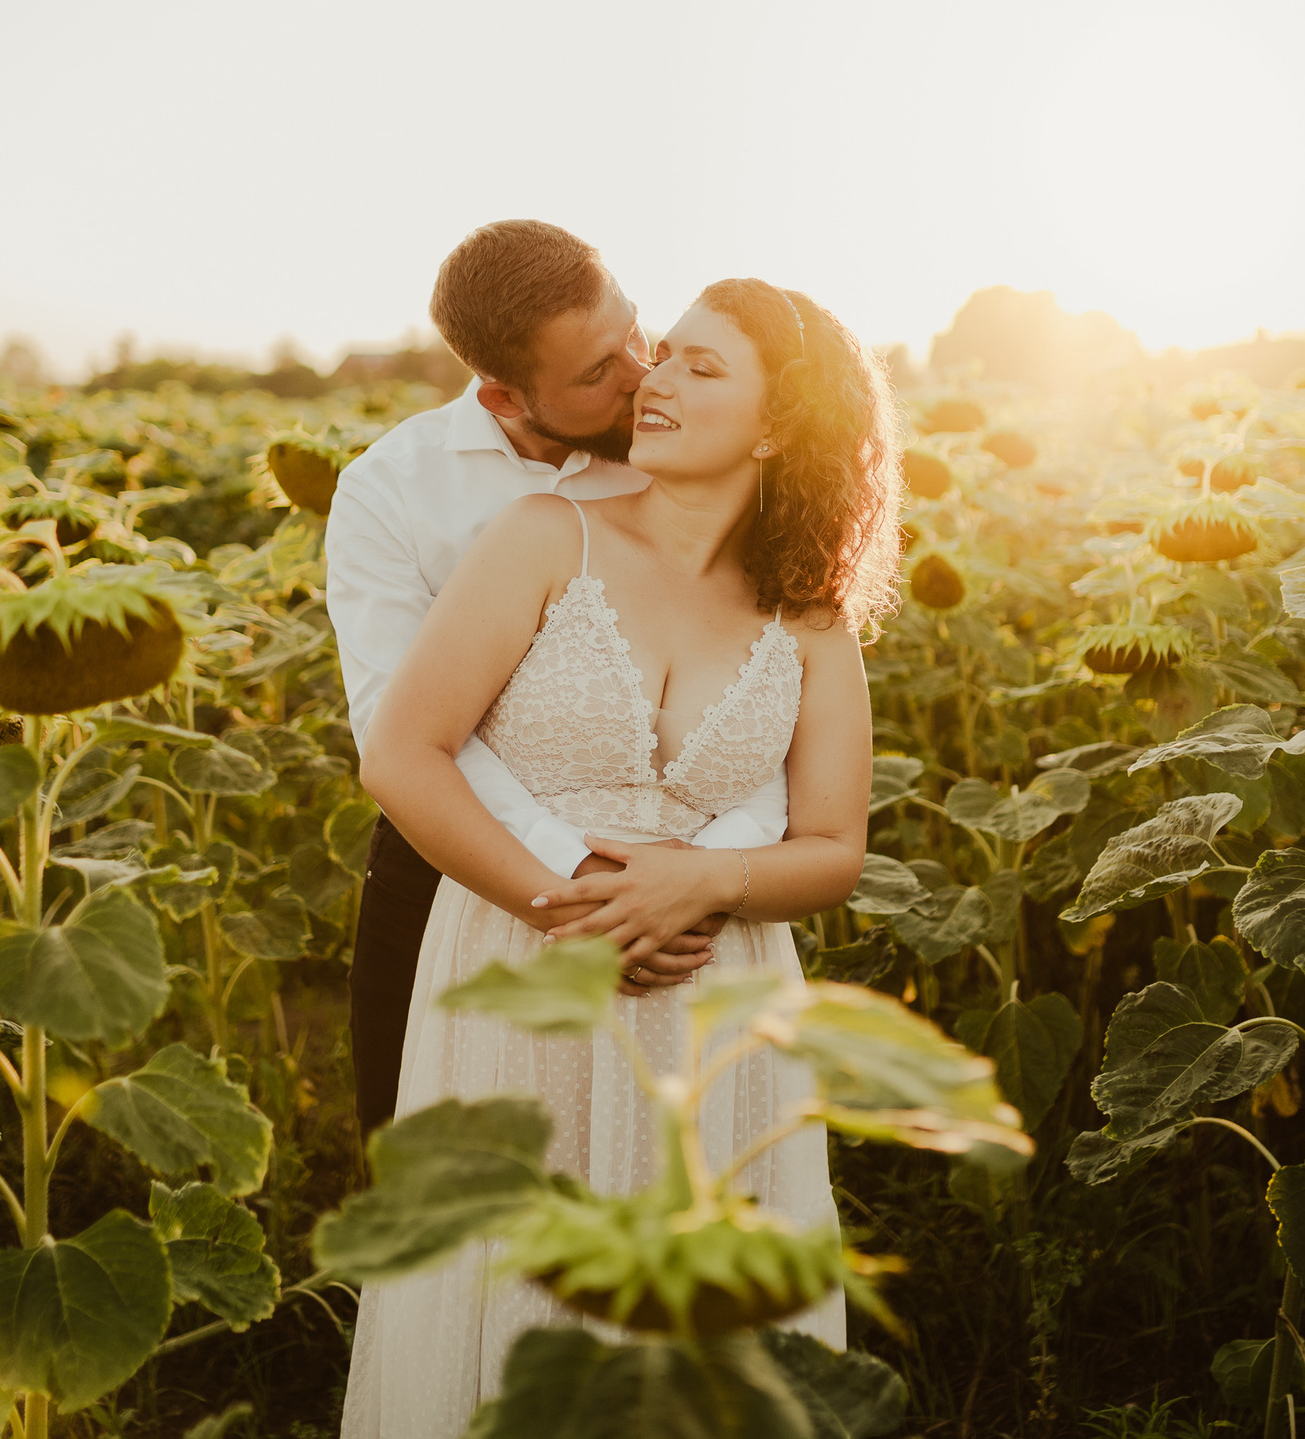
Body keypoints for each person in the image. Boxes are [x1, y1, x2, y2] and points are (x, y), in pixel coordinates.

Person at [340, 276, 904, 1435]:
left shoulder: (809, 614)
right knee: (509, 1310)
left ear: (778, 424)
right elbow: (402, 754)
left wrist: (709, 880)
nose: (656, 381)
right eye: (667, 355)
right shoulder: (550, 533)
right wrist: (562, 906)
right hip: (518, 975)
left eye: (705, 369)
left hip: (715, 999)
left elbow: (835, 847)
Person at [327, 221, 789, 1140]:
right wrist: (579, 884)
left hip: (682, 898)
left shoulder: (682, 451)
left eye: (634, 334)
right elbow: (406, 735)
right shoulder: (393, 490)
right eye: (595, 373)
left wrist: (686, 878)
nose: (639, 376)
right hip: (453, 865)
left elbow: (760, 684)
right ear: (503, 392)